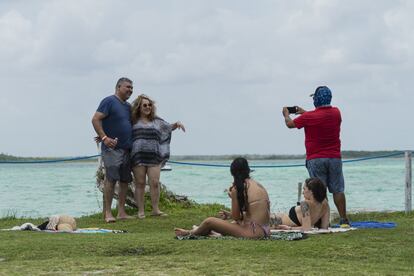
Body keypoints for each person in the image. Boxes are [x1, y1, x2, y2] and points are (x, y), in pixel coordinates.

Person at [282, 85, 349, 225]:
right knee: (338, 190)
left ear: (316, 99)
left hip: (316, 159)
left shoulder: (309, 117)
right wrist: (304, 113)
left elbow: (290, 124)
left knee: (320, 192)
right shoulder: (336, 113)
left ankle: (323, 221)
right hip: (335, 158)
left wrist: (286, 114)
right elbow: (320, 117)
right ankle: (344, 220)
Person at [174, 157, 271, 239]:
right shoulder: (258, 185)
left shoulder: (238, 189)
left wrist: (233, 197)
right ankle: (205, 231)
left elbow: (236, 217)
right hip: (265, 231)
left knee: (209, 221)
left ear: (233, 173)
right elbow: (255, 214)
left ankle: (190, 233)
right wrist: (229, 214)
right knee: (232, 223)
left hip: (253, 233)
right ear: (247, 170)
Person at [130, 94, 185, 219]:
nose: (148, 107)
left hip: (154, 156)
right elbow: (122, 130)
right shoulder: (133, 121)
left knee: (154, 183)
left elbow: (168, 128)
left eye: (150, 105)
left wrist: (177, 124)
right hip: (137, 156)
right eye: (145, 105)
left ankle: (155, 210)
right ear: (139, 107)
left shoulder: (157, 121)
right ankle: (141, 211)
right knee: (140, 183)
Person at [92, 77, 134, 223]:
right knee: (111, 179)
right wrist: (104, 138)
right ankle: (108, 213)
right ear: (118, 87)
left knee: (124, 180)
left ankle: (121, 212)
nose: (130, 90)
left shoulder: (128, 106)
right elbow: (95, 119)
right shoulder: (108, 101)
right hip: (112, 149)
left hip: (127, 149)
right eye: (127, 87)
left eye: (131, 88)